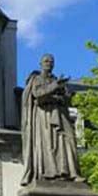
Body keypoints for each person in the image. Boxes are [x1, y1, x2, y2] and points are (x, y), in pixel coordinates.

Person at [20, 54, 83, 185]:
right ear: (41, 63)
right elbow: (38, 94)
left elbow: (65, 100)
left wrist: (66, 95)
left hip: (59, 114)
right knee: (48, 144)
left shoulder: (55, 79)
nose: (49, 63)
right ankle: (50, 172)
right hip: (45, 116)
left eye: (51, 61)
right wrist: (55, 87)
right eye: (46, 61)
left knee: (68, 141)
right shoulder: (36, 79)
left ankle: (70, 172)